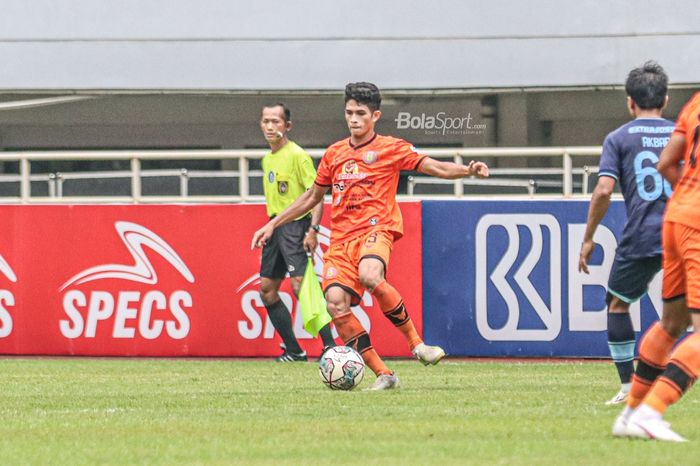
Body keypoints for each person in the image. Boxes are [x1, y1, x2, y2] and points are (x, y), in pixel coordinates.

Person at [251, 82, 489, 390]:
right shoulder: (335, 154)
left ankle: (417, 345)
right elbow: (311, 196)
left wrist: (467, 171)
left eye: (360, 113)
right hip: (341, 241)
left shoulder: (391, 148)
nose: (353, 119)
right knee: (335, 304)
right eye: (349, 112)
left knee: (370, 274)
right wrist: (273, 224)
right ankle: (384, 374)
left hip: (376, 229)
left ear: (375, 115)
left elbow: (433, 166)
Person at [578, 61, 674, 405]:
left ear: (630, 102)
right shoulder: (684, 133)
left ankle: (627, 386)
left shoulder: (618, 138)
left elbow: (604, 190)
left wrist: (589, 238)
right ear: (665, 99)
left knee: (618, 305)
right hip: (684, 231)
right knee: (687, 312)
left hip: (643, 234)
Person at [612, 91, 700, 442]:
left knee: (672, 322)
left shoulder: (694, 103)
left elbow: (666, 163)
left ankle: (631, 412)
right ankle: (651, 412)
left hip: (675, 216)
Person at [257, 103, 336, 362]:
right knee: (267, 289)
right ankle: (294, 350)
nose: (270, 126)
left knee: (303, 285)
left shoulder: (297, 155)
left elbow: (317, 194)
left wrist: (313, 230)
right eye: (266, 121)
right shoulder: (267, 159)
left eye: (276, 121)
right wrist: (271, 227)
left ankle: (330, 347)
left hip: (296, 227)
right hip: (275, 226)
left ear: (287, 126)